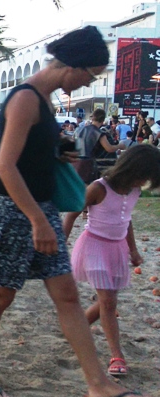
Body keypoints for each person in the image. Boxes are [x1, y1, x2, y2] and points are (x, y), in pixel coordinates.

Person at [0, 25, 153, 397]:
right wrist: (38, 220)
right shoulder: (25, 98)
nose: (88, 83)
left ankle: (98, 384)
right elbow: (5, 167)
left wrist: (57, 152)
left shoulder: (44, 100)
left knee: (67, 296)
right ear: (73, 65)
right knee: (0, 296)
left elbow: (29, 156)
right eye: (91, 75)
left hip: (39, 208)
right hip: (13, 211)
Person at [61, 144, 160, 377]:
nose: (144, 182)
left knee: (108, 300)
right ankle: (117, 355)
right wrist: (60, 246)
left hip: (117, 249)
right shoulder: (99, 188)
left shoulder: (134, 191)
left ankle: (76, 329)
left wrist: (133, 250)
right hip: (94, 246)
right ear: (132, 169)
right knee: (108, 302)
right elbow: (72, 214)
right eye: (144, 176)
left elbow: (126, 220)